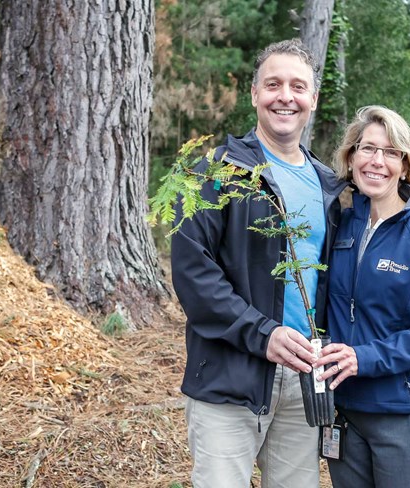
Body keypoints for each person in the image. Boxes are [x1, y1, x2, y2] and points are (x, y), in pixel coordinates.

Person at [170, 39, 346, 488]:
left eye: (297, 86)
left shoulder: (329, 187)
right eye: (273, 84)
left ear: (313, 99)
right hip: (231, 376)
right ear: (254, 94)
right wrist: (262, 334)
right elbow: (193, 272)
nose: (285, 96)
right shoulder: (216, 172)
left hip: (304, 378)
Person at [313, 105, 410, 488]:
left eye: (390, 152)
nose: (376, 161)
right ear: (350, 158)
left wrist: (365, 357)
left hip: (401, 411)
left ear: (405, 164)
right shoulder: (337, 227)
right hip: (343, 410)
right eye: (366, 148)